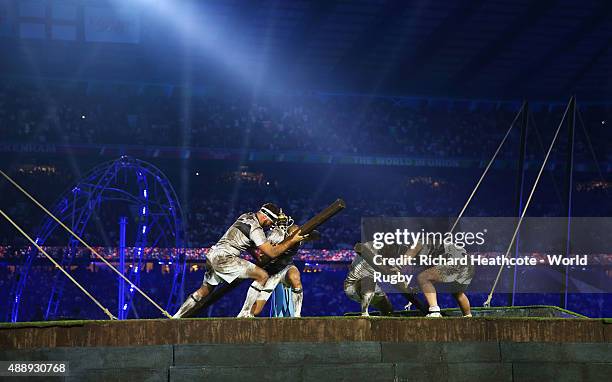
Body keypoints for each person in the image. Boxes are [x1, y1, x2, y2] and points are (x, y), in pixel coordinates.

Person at [172, 203, 305, 318]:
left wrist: (256, 256)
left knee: (204, 291)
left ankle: (176, 316)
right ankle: (245, 313)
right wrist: (292, 240)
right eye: (271, 222)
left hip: (212, 255)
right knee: (262, 276)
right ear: (265, 217)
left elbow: (247, 243)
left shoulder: (245, 216)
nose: (270, 225)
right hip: (224, 258)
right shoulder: (256, 229)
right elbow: (271, 252)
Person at [237, 223, 308, 317]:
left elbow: (307, 233)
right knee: (254, 311)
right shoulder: (265, 240)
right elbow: (252, 248)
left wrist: (299, 234)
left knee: (294, 276)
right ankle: (245, 313)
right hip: (269, 275)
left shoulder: (294, 240)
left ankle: (297, 315)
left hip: (285, 268)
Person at [414, 242, 474, 317]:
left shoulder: (424, 246)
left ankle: (435, 312)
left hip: (457, 263)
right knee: (458, 293)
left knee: (423, 277)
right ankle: (468, 316)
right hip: (468, 266)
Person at [344, 241, 395, 317]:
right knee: (367, 281)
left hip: (372, 285)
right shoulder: (371, 246)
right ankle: (365, 314)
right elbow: (358, 247)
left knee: (388, 310)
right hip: (354, 286)